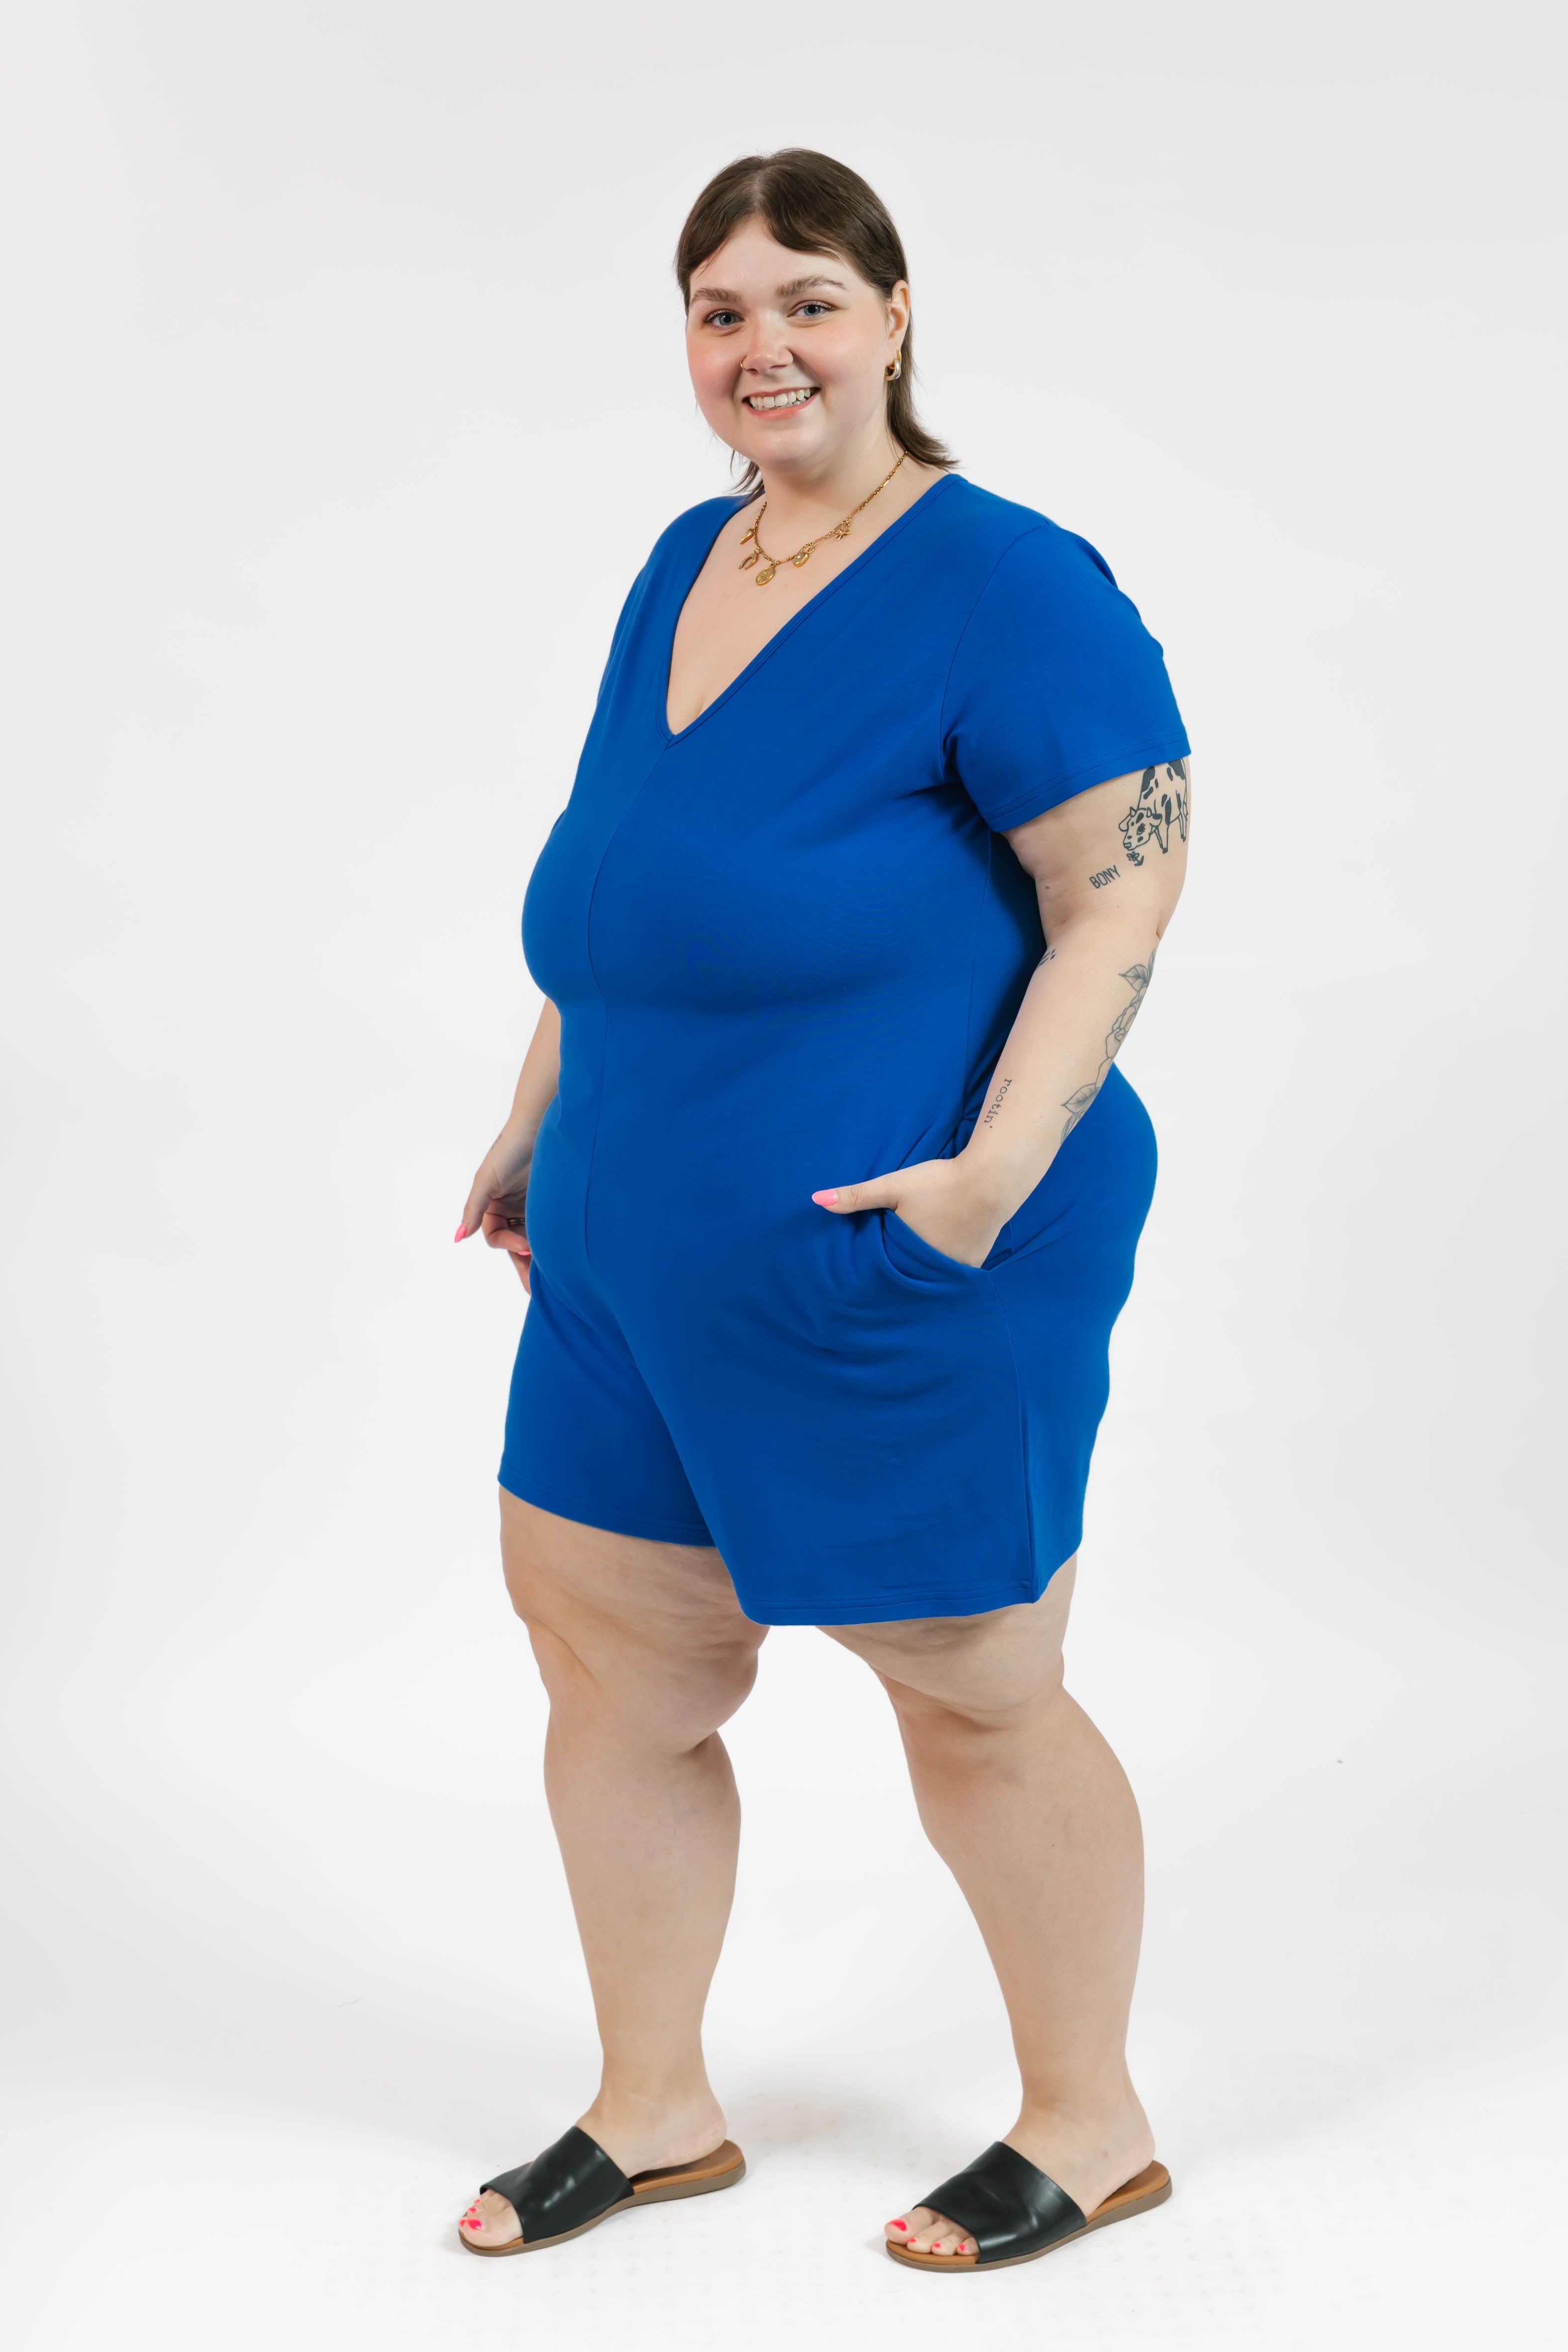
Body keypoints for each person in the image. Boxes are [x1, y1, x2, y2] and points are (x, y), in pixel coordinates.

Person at [452, 147, 1192, 2274]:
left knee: (972, 1683)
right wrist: (535, 1116)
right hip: (625, 1248)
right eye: (719, 311)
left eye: (805, 301)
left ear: (891, 316)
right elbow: (627, 884)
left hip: (893, 1252)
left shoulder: (1007, 583)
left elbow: (1119, 891)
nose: (760, 347)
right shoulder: (687, 559)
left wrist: (983, 1187)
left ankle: (1090, 2124)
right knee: (611, 1663)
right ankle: (654, 2107)